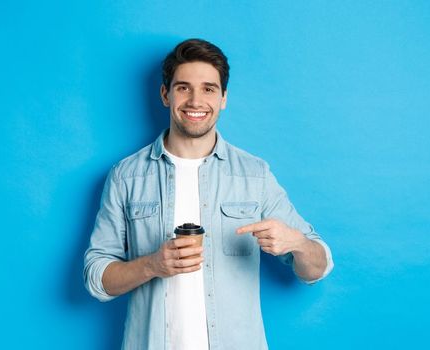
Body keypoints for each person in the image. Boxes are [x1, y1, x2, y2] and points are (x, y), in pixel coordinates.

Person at [83, 38, 334, 350]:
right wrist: (153, 265)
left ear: (223, 98)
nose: (195, 100)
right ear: (165, 94)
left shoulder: (254, 174)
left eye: (208, 89)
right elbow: (96, 277)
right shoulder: (126, 176)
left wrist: (296, 243)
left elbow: (319, 267)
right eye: (183, 87)